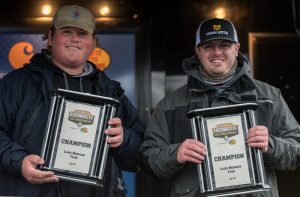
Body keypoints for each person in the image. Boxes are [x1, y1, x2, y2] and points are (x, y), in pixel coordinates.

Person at [139, 18, 300, 197]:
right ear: (197, 51)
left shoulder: (269, 97)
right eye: (208, 46)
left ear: (237, 49)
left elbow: (296, 151)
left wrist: (270, 145)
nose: (217, 52)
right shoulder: (170, 105)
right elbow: (148, 161)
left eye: (224, 45)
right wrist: (176, 154)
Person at [0, 4, 144, 197]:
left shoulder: (111, 92)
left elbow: (143, 154)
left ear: (93, 41)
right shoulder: (16, 83)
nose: (74, 39)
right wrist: (20, 162)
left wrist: (123, 139)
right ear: (50, 38)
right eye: (66, 31)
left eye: (82, 33)